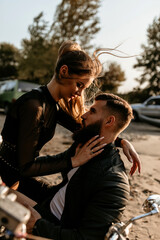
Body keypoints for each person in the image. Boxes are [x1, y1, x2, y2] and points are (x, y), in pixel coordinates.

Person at [0, 40, 140, 201]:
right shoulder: (34, 106)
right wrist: (73, 161)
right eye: (79, 85)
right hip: (5, 180)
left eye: (84, 88)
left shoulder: (53, 106)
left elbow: (84, 128)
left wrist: (122, 142)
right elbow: (26, 167)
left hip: (17, 178)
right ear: (64, 71)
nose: (80, 93)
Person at [12, 93, 133, 240]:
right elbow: (53, 164)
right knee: (5, 182)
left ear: (109, 121)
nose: (83, 115)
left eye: (92, 111)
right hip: (48, 202)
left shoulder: (113, 181)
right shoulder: (85, 147)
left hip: (54, 226)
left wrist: (37, 225)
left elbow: (88, 237)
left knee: (2, 197)